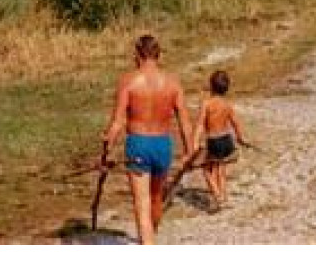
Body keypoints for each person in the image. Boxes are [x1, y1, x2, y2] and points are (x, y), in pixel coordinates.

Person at [102, 35, 191, 245]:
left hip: (139, 144)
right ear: (158, 55)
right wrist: (189, 152)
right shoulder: (173, 82)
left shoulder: (129, 81)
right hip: (162, 145)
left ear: (137, 55)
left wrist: (108, 141)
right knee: (156, 197)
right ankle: (150, 238)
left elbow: (117, 122)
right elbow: (185, 122)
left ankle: (148, 241)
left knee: (142, 205)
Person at [191, 70, 246, 213]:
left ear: (211, 86)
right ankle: (224, 196)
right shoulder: (227, 104)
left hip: (214, 140)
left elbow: (200, 124)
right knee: (221, 168)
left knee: (206, 169)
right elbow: (235, 122)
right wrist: (241, 138)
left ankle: (217, 196)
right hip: (226, 139)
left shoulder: (207, 104)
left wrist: (195, 142)